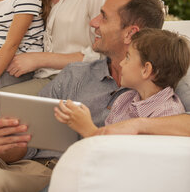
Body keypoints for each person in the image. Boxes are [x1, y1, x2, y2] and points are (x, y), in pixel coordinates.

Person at [0, 0, 169, 192]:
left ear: (130, 33)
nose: (93, 22)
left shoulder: (156, 90)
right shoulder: (77, 74)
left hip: (62, 177)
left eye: (103, 17)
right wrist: (9, 145)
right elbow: (26, 145)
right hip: (25, 166)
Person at [54, 28, 190, 138]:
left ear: (146, 70)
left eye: (128, 57)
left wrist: (88, 130)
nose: (121, 63)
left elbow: (128, 161)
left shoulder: (168, 114)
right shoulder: (124, 100)